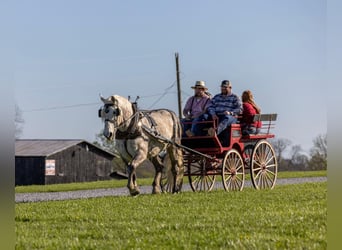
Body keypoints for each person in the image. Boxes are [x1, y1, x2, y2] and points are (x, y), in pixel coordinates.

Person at [207, 80, 242, 144]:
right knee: (204, 116)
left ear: (230, 88)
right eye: (222, 87)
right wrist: (213, 114)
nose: (223, 89)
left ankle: (215, 132)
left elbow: (240, 109)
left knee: (226, 118)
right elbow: (210, 106)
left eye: (225, 87)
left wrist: (230, 112)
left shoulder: (234, 97)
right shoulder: (216, 97)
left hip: (231, 117)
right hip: (217, 115)